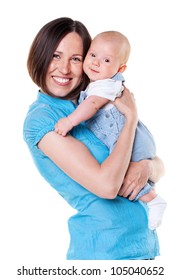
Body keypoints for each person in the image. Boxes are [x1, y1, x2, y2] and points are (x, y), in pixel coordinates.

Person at [23, 17, 165, 260]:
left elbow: (155, 163)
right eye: (56, 56)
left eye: (75, 58)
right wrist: (130, 118)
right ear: (40, 56)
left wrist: (148, 165)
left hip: (141, 250)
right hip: (104, 252)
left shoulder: (92, 102)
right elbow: (107, 186)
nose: (65, 69)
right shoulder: (43, 119)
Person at [54, 31, 167, 230]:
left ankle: (154, 200)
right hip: (134, 135)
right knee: (126, 172)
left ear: (120, 68)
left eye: (106, 59)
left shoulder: (106, 85)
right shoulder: (97, 83)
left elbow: (92, 105)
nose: (96, 63)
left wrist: (70, 121)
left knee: (123, 173)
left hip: (128, 138)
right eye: (93, 55)